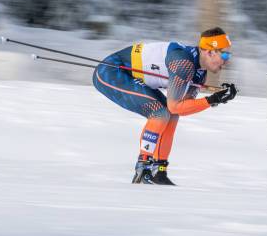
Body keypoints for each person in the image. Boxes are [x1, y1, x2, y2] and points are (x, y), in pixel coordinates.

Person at [92, 27, 238, 185]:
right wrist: (212, 100)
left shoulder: (200, 73)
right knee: (160, 113)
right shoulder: (184, 64)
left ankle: (159, 171)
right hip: (111, 71)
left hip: (130, 74)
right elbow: (176, 105)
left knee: (171, 115)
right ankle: (143, 168)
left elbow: (182, 108)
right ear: (209, 52)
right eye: (224, 54)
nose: (227, 60)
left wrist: (216, 99)